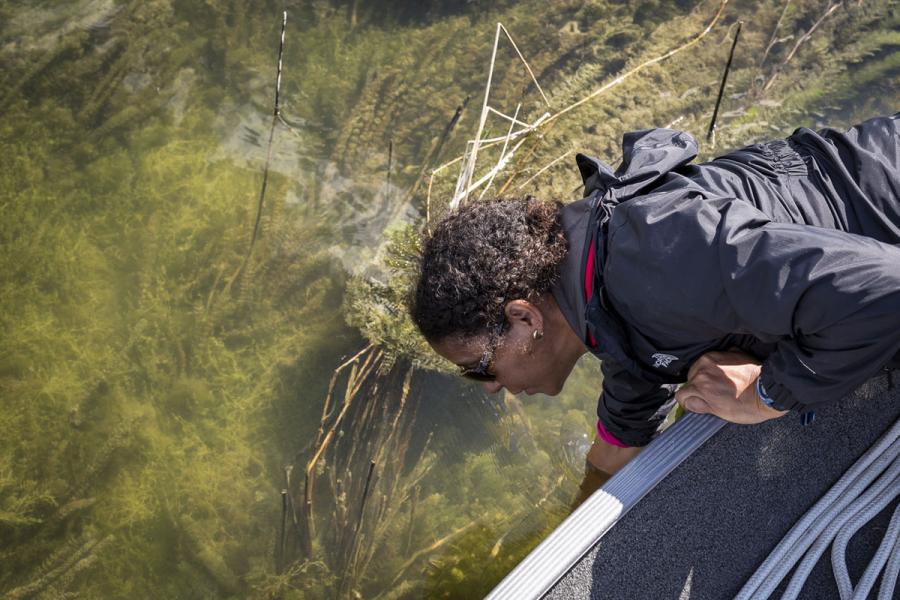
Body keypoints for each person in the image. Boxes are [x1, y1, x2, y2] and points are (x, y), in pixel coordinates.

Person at [409, 113, 900, 483]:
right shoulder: (600, 286)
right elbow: (627, 414)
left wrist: (766, 394)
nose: (490, 387)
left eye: (480, 366)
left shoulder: (667, 254)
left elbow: (885, 287)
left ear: (522, 317)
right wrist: (584, 506)